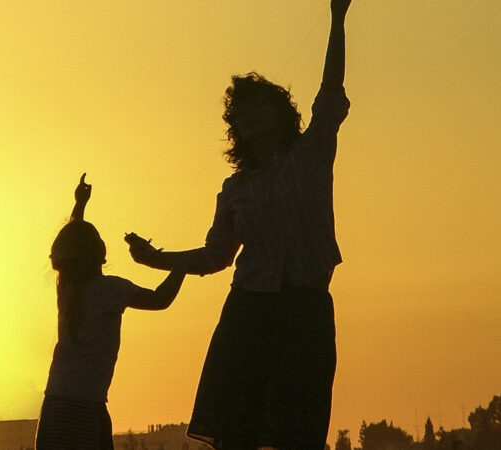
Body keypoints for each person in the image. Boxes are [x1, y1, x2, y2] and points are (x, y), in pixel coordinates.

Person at [125, 0, 352, 448]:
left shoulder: (312, 153)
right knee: (236, 432)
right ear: (237, 131)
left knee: (300, 429)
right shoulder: (234, 190)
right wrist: (155, 260)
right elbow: (215, 258)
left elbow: (330, 89)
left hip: (305, 311)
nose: (250, 116)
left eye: (258, 106)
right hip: (247, 315)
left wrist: (337, 17)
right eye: (241, 114)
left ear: (280, 112)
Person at [36, 174, 187, 450]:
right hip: (88, 405)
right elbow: (160, 299)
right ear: (99, 255)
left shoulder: (66, 289)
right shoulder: (110, 290)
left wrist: (79, 204)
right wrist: (182, 265)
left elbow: (74, 240)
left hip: (55, 405)